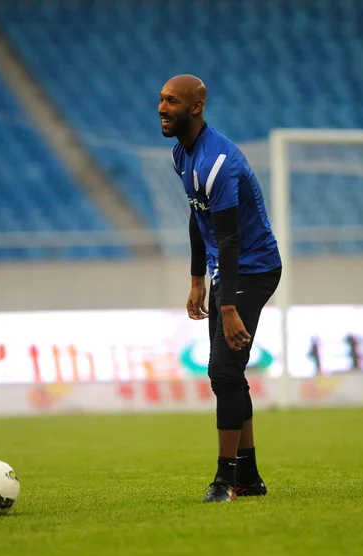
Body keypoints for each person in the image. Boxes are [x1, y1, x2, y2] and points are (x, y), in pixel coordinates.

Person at [158, 75, 282, 502]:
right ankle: (248, 478)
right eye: (160, 100)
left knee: (224, 371)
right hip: (225, 272)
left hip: (254, 268)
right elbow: (199, 216)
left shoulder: (218, 161)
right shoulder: (182, 154)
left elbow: (230, 238)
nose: (161, 108)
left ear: (196, 107)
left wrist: (226, 306)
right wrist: (196, 279)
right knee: (229, 374)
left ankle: (225, 481)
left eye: (171, 101)